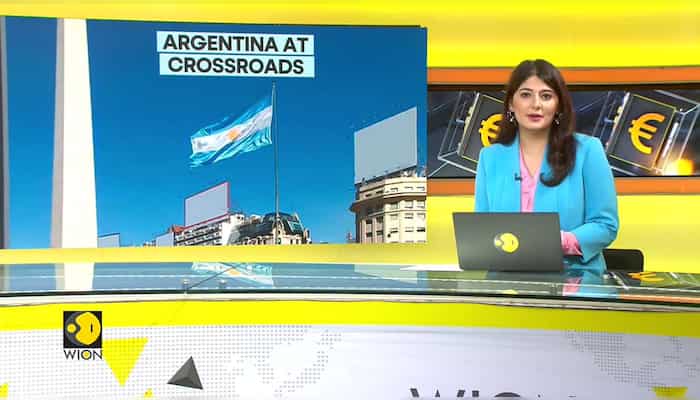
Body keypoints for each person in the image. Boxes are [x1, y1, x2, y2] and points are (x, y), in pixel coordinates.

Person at [474, 59, 619, 272]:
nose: (536, 105)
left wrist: (557, 242)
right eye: (526, 95)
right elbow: (483, 229)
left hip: (573, 277)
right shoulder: (490, 157)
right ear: (511, 104)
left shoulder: (588, 151)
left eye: (546, 96)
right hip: (506, 278)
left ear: (558, 105)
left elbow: (605, 225)